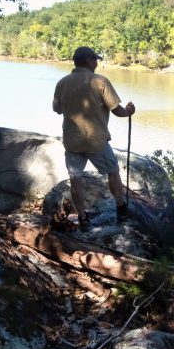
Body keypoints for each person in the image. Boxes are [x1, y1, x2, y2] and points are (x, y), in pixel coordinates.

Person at [52, 46, 136, 230]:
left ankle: (82, 217)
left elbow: (57, 110)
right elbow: (118, 111)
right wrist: (129, 111)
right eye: (95, 59)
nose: (97, 63)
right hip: (96, 141)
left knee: (75, 179)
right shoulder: (100, 81)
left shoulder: (62, 83)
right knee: (113, 172)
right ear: (89, 60)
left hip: (72, 141)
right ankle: (121, 208)